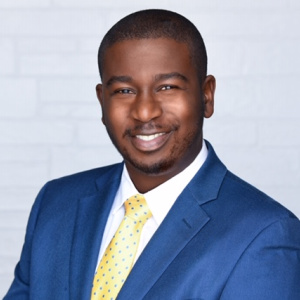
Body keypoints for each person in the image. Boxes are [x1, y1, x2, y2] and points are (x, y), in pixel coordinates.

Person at [4, 9, 300, 300]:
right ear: (101, 102)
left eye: (167, 87)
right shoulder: (56, 204)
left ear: (206, 96)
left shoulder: (265, 236)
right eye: (124, 91)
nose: (145, 111)